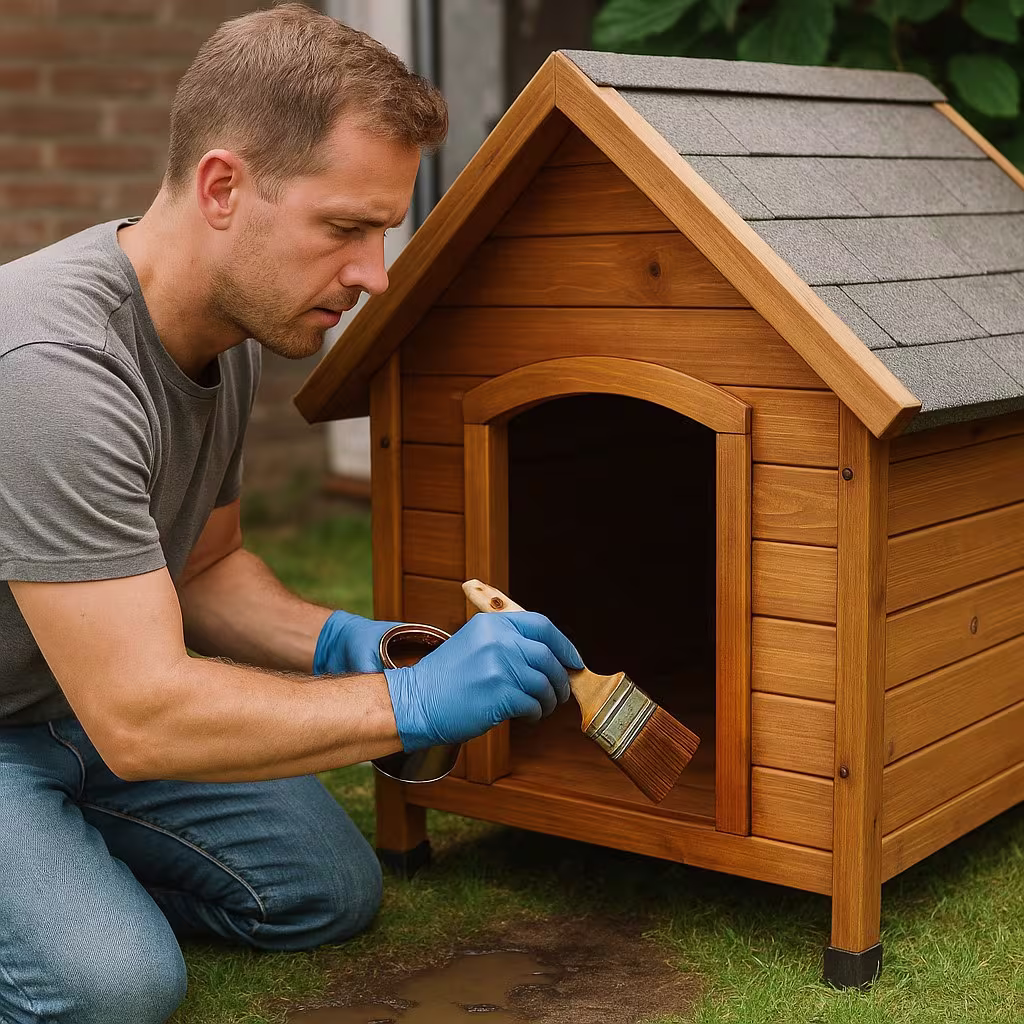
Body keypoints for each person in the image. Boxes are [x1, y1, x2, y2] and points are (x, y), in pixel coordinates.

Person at [0, 5, 582, 1022]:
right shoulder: (52, 369)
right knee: (114, 987)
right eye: (346, 228)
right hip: (83, 709)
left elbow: (209, 566)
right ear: (224, 187)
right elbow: (141, 712)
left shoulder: (228, 336)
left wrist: (348, 645)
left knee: (326, 890)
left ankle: (52, 850)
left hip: (68, 698)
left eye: (382, 232)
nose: (374, 275)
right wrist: (411, 708)